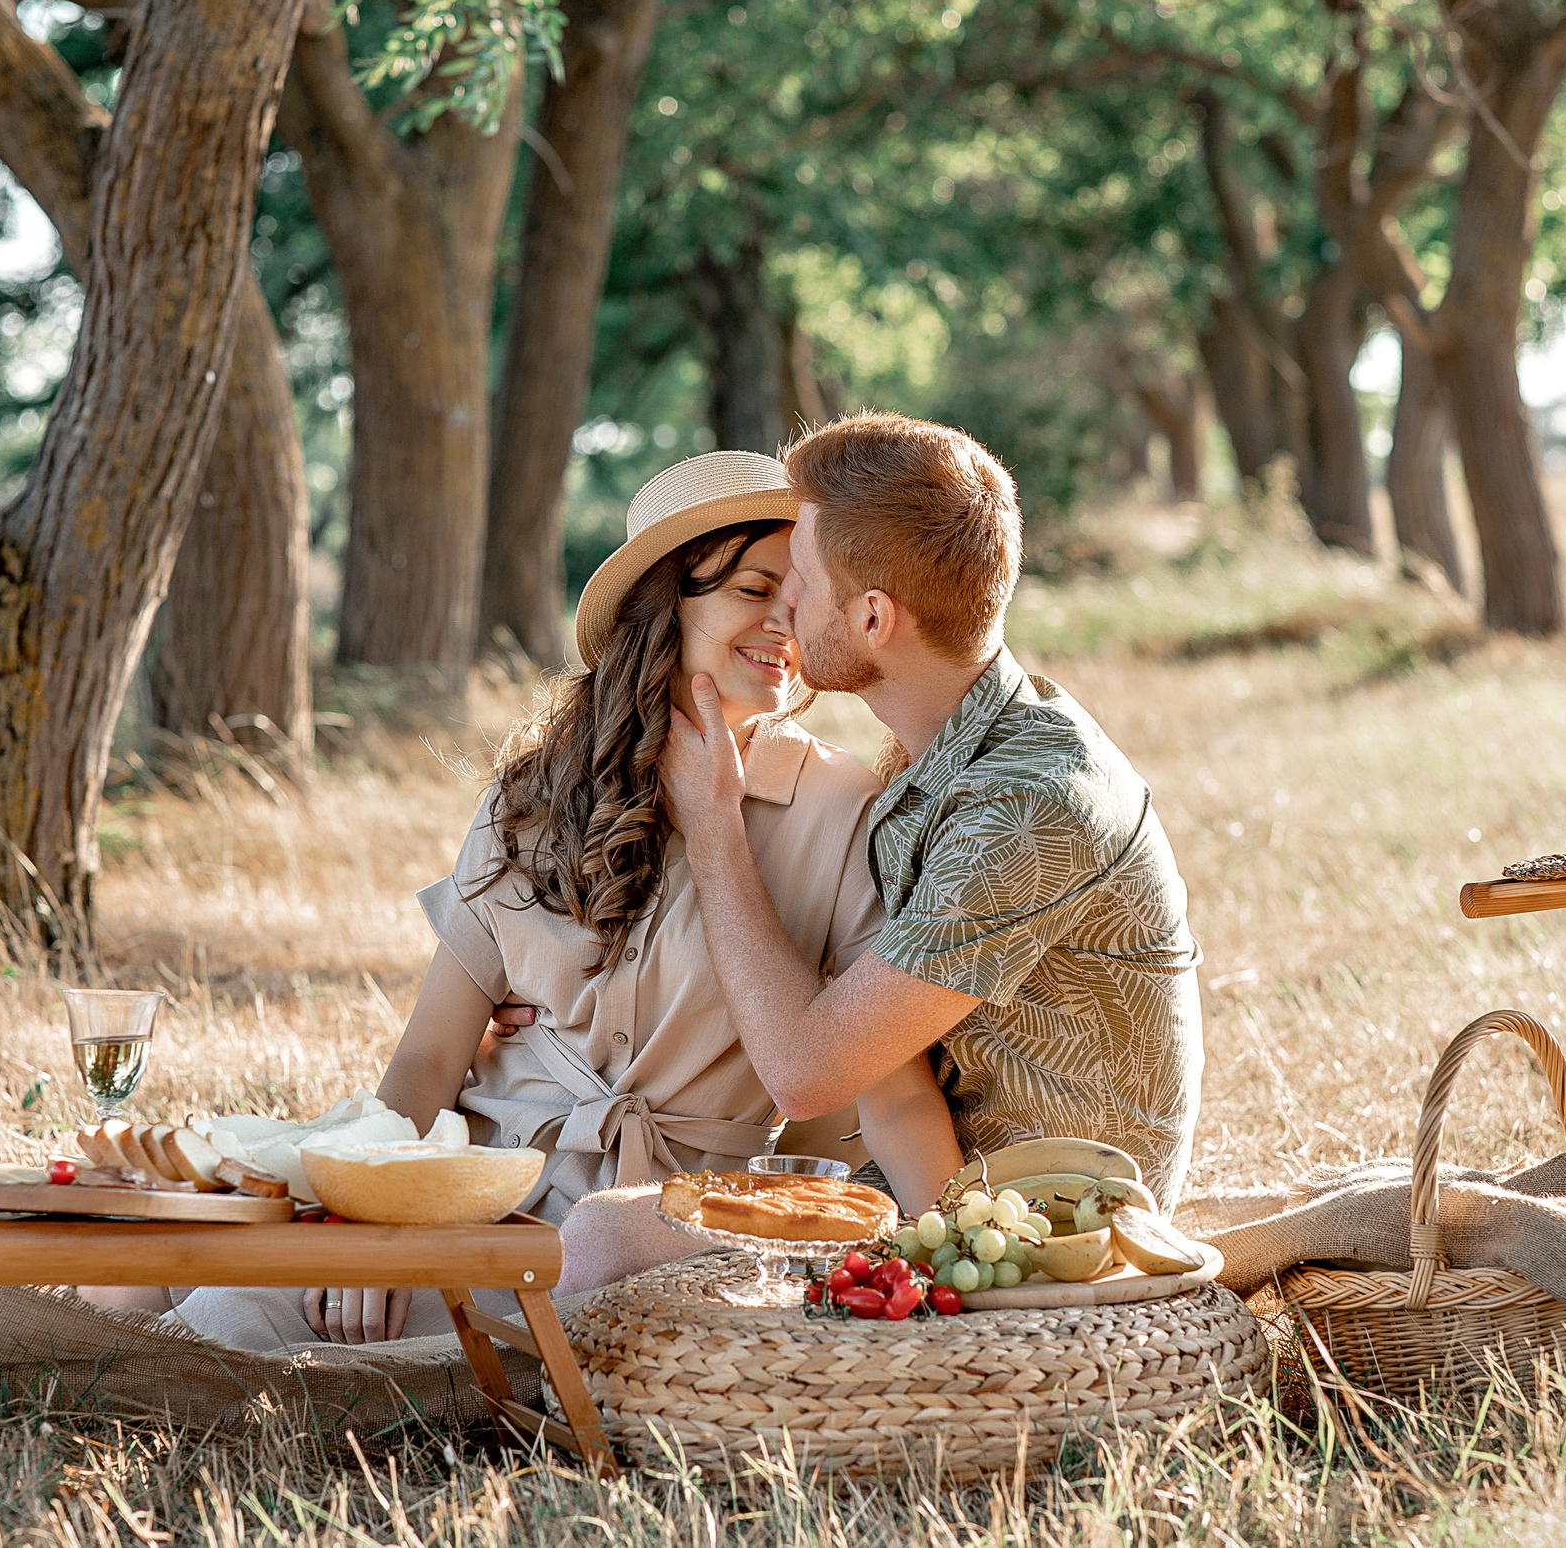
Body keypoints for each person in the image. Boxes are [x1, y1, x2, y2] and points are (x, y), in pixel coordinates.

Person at [99, 452, 964, 1349]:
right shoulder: (535, 796)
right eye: (755, 589)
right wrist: (373, 1227)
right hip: (476, 1186)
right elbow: (430, 1061)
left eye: (801, 594)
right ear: (665, 606)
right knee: (148, 1273)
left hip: (654, 1233)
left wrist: (964, 1258)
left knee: (235, 1321)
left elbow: (882, 1092)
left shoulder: (848, 812)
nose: (786, 622)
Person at [658, 414, 1204, 1208]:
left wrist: (713, 827)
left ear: (874, 618)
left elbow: (805, 1073)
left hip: (1038, 1227)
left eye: (802, 578)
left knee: (615, 1238)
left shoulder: (1026, 810)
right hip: (939, 1184)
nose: (786, 602)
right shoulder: (948, 751)